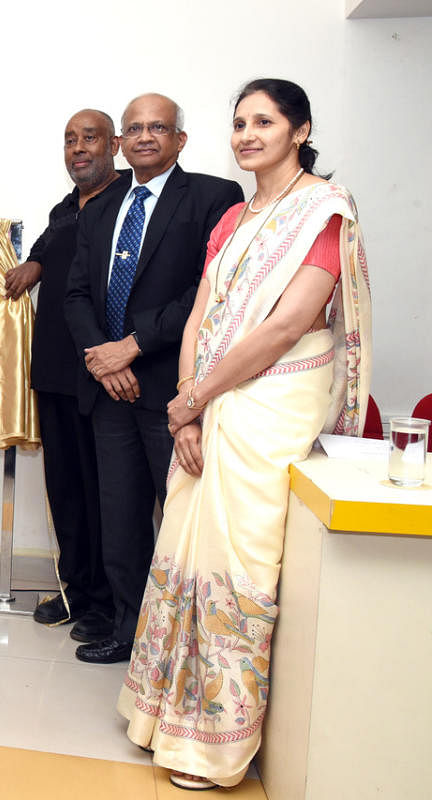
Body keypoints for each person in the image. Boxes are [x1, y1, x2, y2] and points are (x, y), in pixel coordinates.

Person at [117, 79, 371, 790]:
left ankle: (215, 744)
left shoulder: (323, 211)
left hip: (273, 405)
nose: (248, 133)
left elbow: (288, 325)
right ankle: (160, 717)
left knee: (240, 561)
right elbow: (202, 311)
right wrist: (189, 407)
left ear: (300, 129)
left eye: (265, 121)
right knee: (183, 547)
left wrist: (195, 395)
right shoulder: (232, 219)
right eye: (238, 122)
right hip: (207, 401)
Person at [63, 94, 243, 665]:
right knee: (121, 519)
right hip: (110, 392)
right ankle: (129, 631)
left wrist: (133, 347)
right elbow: (76, 294)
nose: (145, 137)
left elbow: (206, 290)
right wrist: (102, 357)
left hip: (174, 389)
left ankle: (186, 645)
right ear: (120, 143)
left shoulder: (216, 198)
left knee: (183, 517)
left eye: (158, 127)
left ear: (180, 140)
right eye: (134, 128)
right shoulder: (97, 209)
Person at [4, 111, 122, 642]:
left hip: (100, 377)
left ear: (113, 145)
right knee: (65, 492)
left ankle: (107, 603)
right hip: (52, 373)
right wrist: (34, 263)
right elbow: (52, 254)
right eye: (70, 140)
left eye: (89, 138)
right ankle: (75, 588)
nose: (78, 148)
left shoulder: (127, 205)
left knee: (105, 495)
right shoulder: (62, 209)